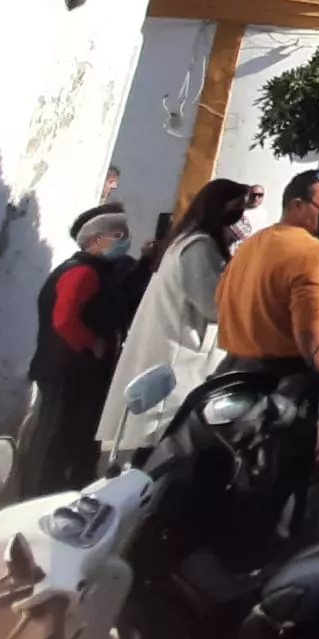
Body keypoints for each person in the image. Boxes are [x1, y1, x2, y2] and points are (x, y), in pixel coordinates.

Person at [99, 178, 248, 456]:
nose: (240, 215)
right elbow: (214, 306)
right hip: (180, 358)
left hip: (179, 353)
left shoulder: (187, 242)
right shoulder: (198, 247)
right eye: (236, 206)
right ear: (218, 207)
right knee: (164, 443)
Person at [20, 205, 138, 496]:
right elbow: (64, 319)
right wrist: (93, 343)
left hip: (77, 370)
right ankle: (38, 495)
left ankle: (62, 488)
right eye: (117, 235)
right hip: (68, 369)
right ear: (95, 240)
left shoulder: (96, 271)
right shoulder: (83, 273)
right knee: (54, 437)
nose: (124, 240)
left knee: (71, 435)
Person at [217, 169, 319, 374]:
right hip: (276, 376)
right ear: (297, 205)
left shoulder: (252, 242)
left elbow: (220, 298)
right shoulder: (310, 250)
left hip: (230, 369)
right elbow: (309, 327)